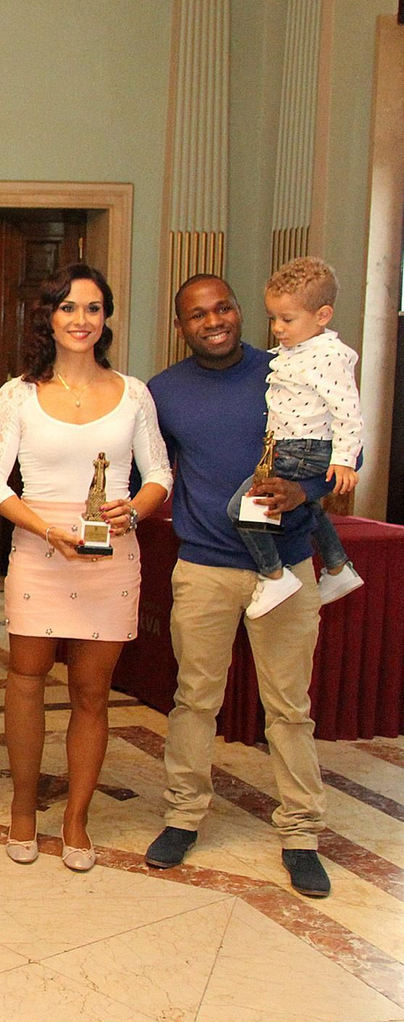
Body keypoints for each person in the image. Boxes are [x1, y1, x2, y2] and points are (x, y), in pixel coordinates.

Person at [144, 272, 338, 898]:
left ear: (238, 310)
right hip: (203, 567)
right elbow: (148, 468)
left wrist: (305, 490)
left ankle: (302, 833)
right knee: (194, 698)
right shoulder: (164, 392)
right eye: (197, 314)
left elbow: (341, 454)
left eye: (223, 307)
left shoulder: (289, 370)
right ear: (182, 327)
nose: (213, 320)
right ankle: (182, 816)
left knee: (290, 707)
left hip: (285, 563)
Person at [0, 263, 172, 871]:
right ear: (49, 318)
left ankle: (77, 820)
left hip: (111, 554)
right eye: (67, 308)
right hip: (40, 550)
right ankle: (22, 811)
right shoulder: (18, 393)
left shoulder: (134, 392)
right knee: (26, 681)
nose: (80, 320)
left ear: (106, 317)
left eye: (91, 308)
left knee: (92, 693)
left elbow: (160, 472)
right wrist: (42, 528)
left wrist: (134, 511)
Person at [229, 256, 364, 619]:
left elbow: (348, 412)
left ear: (322, 316)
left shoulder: (328, 357)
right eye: (273, 318)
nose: (276, 327)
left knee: (241, 509)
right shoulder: (296, 352)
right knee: (307, 505)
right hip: (292, 446)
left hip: (300, 450)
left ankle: (273, 575)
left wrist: (344, 459)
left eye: (287, 320)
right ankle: (337, 567)